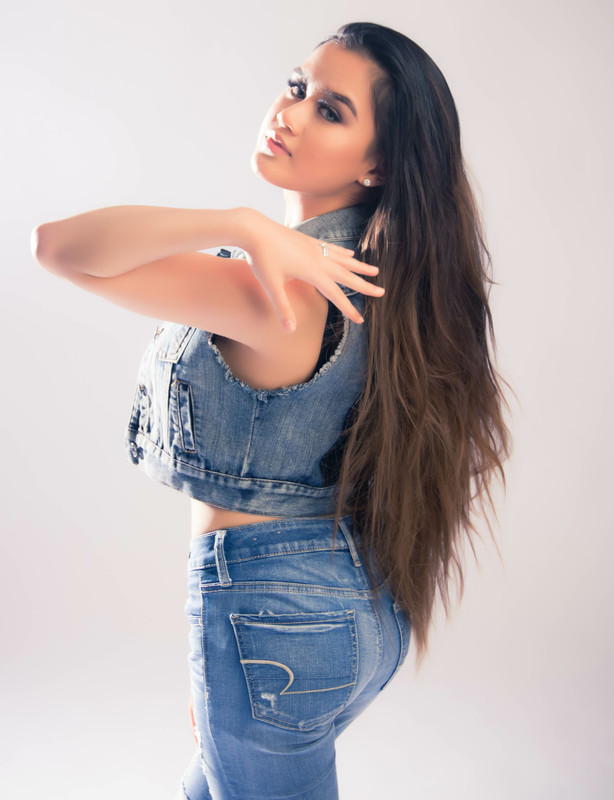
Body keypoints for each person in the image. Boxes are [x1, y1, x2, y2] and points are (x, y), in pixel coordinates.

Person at [31, 21, 510, 800]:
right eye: (296, 88)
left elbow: (55, 245)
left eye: (330, 110)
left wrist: (240, 224)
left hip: (272, 621)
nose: (289, 113)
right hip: (353, 606)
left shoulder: (276, 290)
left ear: (378, 163)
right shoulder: (386, 275)